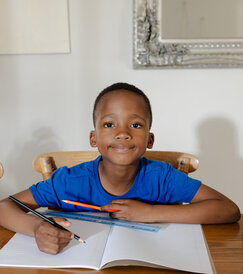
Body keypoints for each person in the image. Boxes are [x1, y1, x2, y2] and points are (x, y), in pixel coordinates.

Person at [0, 82, 240, 254]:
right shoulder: (68, 182)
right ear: (94, 139)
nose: (123, 133)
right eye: (109, 124)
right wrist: (37, 228)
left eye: (135, 124)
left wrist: (151, 213)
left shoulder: (162, 178)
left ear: (150, 140)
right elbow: (4, 207)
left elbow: (228, 210)